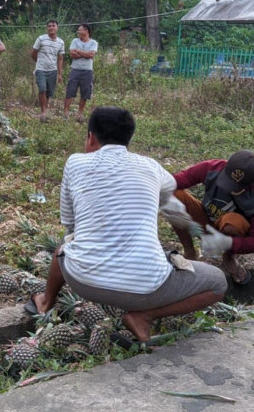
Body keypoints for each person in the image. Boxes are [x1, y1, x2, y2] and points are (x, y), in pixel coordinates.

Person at [28, 107, 227, 344]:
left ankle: (45, 300)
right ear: (129, 139)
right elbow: (172, 189)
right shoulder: (151, 166)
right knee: (218, 282)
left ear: (90, 137)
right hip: (147, 288)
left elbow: (70, 225)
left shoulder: (75, 163)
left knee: (66, 245)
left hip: (82, 279)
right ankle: (144, 316)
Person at [169, 150, 254, 285]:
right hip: (206, 218)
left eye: (235, 188)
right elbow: (176, 181)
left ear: (250, 185)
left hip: (230, 232)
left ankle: (229, 256)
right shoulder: (212, 168)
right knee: (174, 194)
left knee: (233, 221)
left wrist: (227, 243)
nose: (229, 189)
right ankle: (189, 251)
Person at [63, 23, 98, 123]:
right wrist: (85, 54)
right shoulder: (75, 41)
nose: (78, 32)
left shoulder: (93, 43)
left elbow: (91, 55)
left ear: (86, 31)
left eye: (80, 30)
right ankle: (66, 112)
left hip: (87, 70)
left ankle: (79, 113)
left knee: (85, 92)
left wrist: (78, 51)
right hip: (75, 69)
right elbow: (72, 55)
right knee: (70, 90)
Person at [31, 20, 65, 121]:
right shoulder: (41, 39)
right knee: (42, 89)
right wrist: (40, 62)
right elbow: (33, 53)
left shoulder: (61, 42)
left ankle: (45, 110)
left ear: (57, 28)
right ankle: (43, 112)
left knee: (49, 92)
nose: (51, 28)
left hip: (53, 71)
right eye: (49, 26)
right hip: (41, 69)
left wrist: (60, 74)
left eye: (53, 26)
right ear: (47, 28)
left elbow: (60, 58)